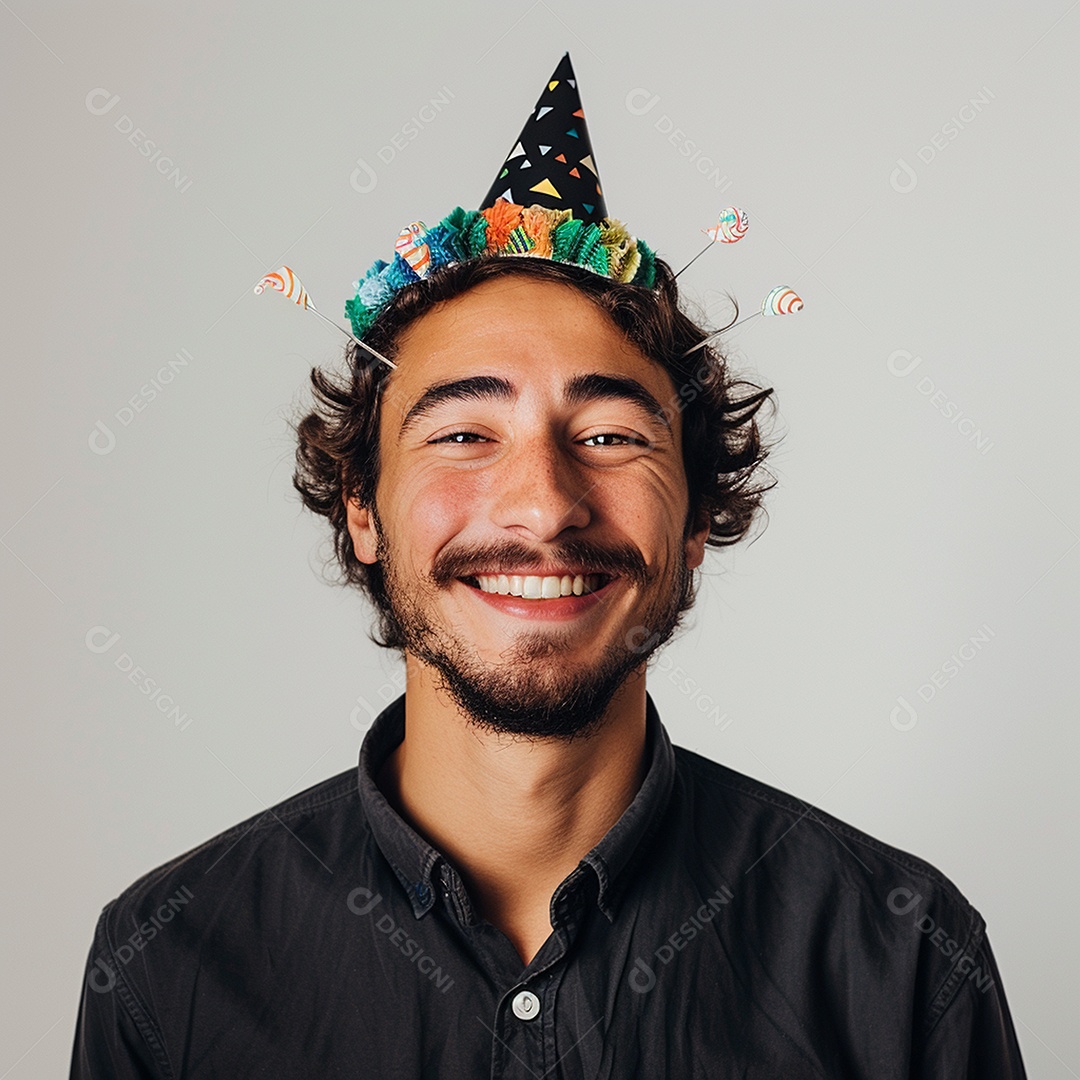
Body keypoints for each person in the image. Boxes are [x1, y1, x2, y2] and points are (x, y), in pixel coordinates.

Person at [70, 54, 1027, 1078]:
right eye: (464, 435)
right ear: (362, 509)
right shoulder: (169, 965)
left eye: (612, 436)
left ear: (699, 513)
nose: (543, 504)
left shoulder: (901, 957)